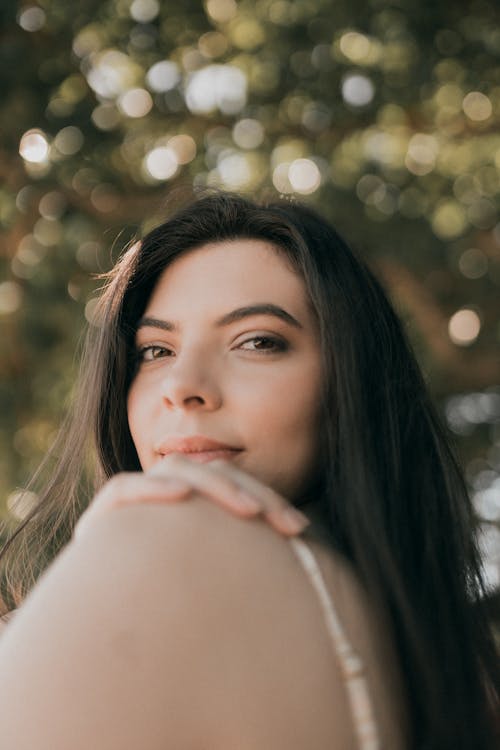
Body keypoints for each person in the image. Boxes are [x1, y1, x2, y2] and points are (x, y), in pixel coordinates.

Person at [0, 191, 498, 749]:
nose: (183, 387)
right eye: (156, 351)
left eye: (257, 341)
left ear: (349, 382)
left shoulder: (170, 548)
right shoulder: (427, 657)